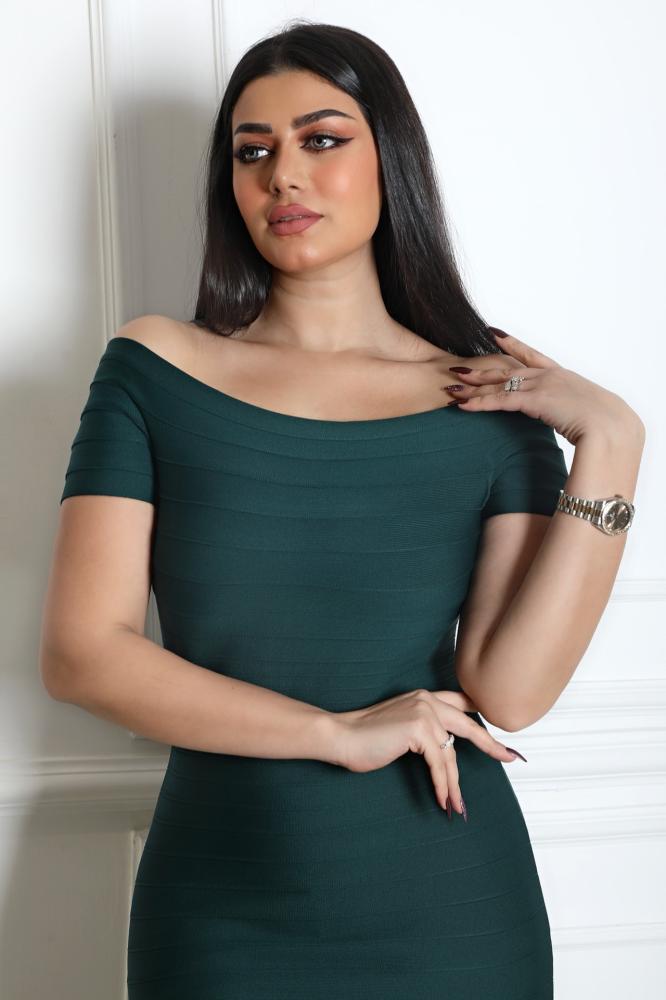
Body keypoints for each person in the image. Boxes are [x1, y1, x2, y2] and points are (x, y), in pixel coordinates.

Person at [39, 20, 645, 1000]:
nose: (284, 174)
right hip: (219, 909)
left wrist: (614, 441)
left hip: (451, 913)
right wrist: (333, 731)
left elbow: (513, 690)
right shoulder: (155, 369)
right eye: (253, 152)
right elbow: (81, 654)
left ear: (389, 158)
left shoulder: (485, 399)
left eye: (321, 139)